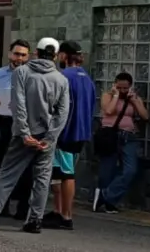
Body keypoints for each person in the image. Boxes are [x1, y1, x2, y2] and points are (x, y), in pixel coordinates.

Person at [0, 37, 69, 234]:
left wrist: (24, 133)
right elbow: (62, 113)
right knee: (41, 180)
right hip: (46, 138)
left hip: (23, 135)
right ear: (55, 56)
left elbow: (18, 105)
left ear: (36, 53)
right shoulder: (61, 79)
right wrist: (49, 139)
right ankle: (34, 221)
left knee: (6, 177)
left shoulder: (22, 72)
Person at [45, 41, 96, 230]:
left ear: (64, 56)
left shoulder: (63, 77)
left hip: (66, 133)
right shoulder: (87, 78)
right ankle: (57, 211)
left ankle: (66, 216)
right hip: (81, 132)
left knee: (66, 175)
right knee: (59, 173)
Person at [0, 39, 32, 219]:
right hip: (4, 122)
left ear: (28, 57)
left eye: (23, 55)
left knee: (26, 168)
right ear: (9, 54)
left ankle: (23, 208)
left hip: (24, 124)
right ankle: (1, 206)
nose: (19, 58)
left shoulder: (32, 75)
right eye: (16, 53)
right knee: (0, 165)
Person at [93, 72, 148, 214]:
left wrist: (135, 101)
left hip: (128, 136)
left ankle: (107, 196)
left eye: (125, 88)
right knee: (108, 170)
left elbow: (145, 116)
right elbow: (109, 110)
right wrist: (116, 96)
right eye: (120, 87)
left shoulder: (134, 98)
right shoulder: (108, 96)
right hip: (110, 135)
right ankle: (104, 204)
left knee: (130, 170)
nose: (123, 91)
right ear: (115, 85)